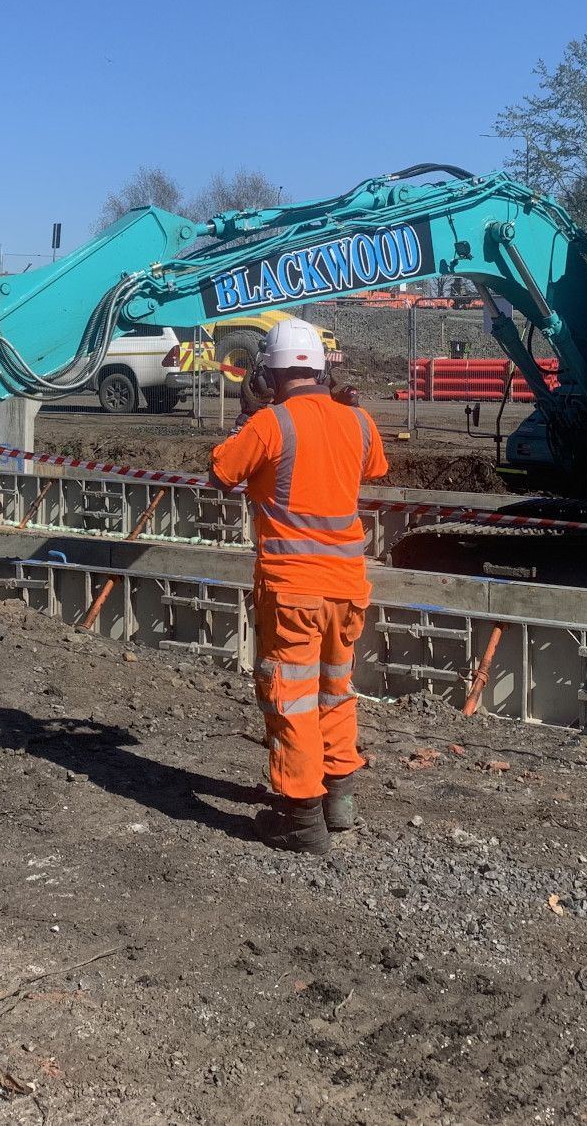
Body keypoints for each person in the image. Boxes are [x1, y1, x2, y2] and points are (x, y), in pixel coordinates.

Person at [211, 317, 387, 853]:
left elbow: (221, 470)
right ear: (320, 369)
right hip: (348, 587)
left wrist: (248, 415)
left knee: (291, 699)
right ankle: (340, 800)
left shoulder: (269, 425)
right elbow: (371, 469)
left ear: (271, 371)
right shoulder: (359, 422)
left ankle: (301, 819)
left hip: (293, 591)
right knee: (336, 690)